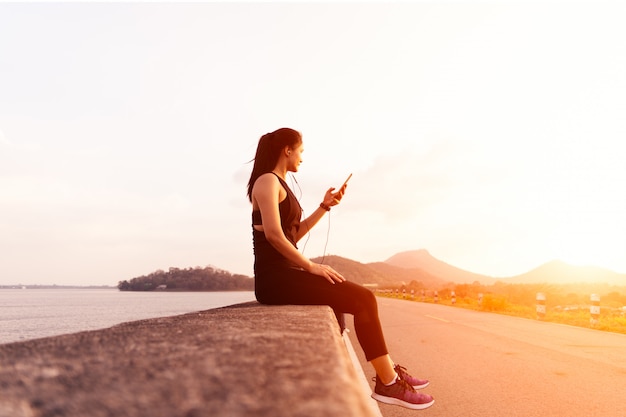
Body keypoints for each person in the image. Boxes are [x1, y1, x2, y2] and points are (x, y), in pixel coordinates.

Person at [247, 127, 434, 410]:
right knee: (364, 299)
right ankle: (388, 383)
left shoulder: (281, 185)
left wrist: (324, 206)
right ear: (287, 150)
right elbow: (273, 236)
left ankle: (390, 372)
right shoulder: (266, 182)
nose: (302, 158)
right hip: (275, 279)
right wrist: (311, 267)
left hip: (288, 274)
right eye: (301, 151)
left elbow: (292, 236)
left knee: (362, 299)